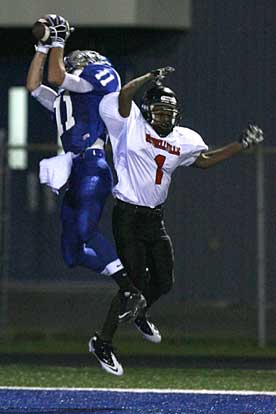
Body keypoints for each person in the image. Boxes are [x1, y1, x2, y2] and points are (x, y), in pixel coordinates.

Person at [87, 67, 264, 375]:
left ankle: (140, 312)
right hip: (128, 214)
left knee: (164, 281)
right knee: (134, 284)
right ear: (147, 111)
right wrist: (149, 77)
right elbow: (126, 94)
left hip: (154, 218)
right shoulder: (131, 123)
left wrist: (240, 146)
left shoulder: (185, 139)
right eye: (158, 111)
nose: (164, 117)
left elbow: (204, 162)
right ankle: (103, 341)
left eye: (168, 112)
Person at [26, 14, 147, 373]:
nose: (78, 61)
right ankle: (127, 287)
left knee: (83, 233)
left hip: (92, 165)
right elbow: (36, 85)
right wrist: (42, 46)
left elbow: (58, 75)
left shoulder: (96, 82)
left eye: (83, 59)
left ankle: (129, 288)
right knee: (71, 251)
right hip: (75, 170)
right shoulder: (69, 97)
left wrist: (58, 42)